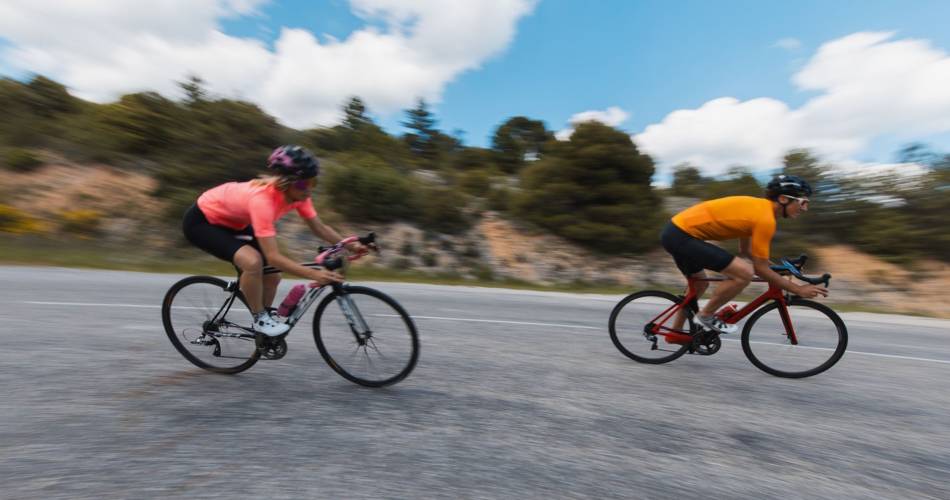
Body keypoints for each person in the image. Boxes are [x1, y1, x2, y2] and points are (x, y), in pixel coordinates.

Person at [182, 145, 364, 336]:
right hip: (202, 222)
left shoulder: (300, 196)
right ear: (287, 182)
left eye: (313, 182)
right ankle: (261, 319)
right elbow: (274, 256)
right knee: (253, 262)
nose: (309, 189)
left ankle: (263, 327)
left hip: (235, 223)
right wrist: (314, 274)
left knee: (273, 275)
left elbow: (320, 228)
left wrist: (350, 245)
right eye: (303, 184)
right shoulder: (263, 201)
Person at [661, 174, 828, 334]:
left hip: (676, 232)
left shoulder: (760, 210)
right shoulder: (765, 219)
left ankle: (675, 333)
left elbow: (746, 251)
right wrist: (798, 289)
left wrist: (776, 269)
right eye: (803, 202)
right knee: (744, 274)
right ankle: (706, 316)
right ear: (783, 199)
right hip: (682, 236)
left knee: (699, 285)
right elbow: (760, 269)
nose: (805, 208)